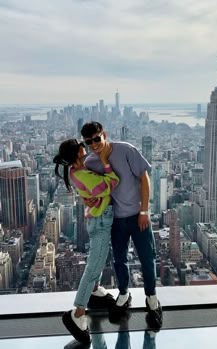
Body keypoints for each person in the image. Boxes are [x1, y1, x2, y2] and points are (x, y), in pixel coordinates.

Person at [81, 121, 162, 329]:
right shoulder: (90, 162)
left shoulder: (126, 150)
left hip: (138, 216)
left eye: (97, 139)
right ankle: (124, 295)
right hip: (115, 219)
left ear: (104, 135)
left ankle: (152, 300)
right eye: (89, 142)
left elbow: (144, 178)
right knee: (119, 259)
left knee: (147, 257)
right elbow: (88, 187)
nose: (94, 144)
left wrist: (144, 210)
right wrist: (87, 200)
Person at [53, 138, 119, 344]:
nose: (87, 154)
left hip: (97, 217)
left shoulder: (77, 171)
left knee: (97, 258)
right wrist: (106, 163)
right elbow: (112, 183)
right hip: (100, 221)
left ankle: (93, 290)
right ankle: (78, 312)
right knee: (94, 265)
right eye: (83, 152)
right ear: (76, 156)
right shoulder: (82, 173)